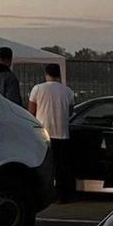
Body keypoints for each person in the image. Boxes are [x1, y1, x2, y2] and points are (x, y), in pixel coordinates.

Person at [29, 64, 75, 202]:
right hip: (62, 134)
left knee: (45, 166)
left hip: (43, 134)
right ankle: (63, 195)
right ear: (59, 75)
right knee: (62, 167)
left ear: (46, 74)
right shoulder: (67, 91)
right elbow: (70, 111)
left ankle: (44, 193)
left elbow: (31, 111)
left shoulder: (37, 89)